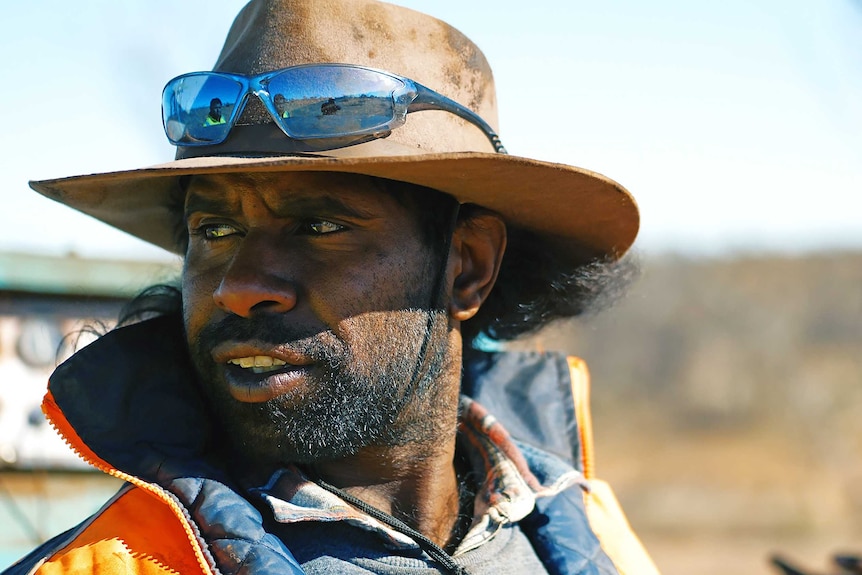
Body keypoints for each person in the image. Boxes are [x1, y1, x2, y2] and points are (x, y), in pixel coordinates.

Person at [10, 1, 659, 574]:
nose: (240, 286)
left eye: (318, 225)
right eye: (214, 228)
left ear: (467, 266)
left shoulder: (580, 526)